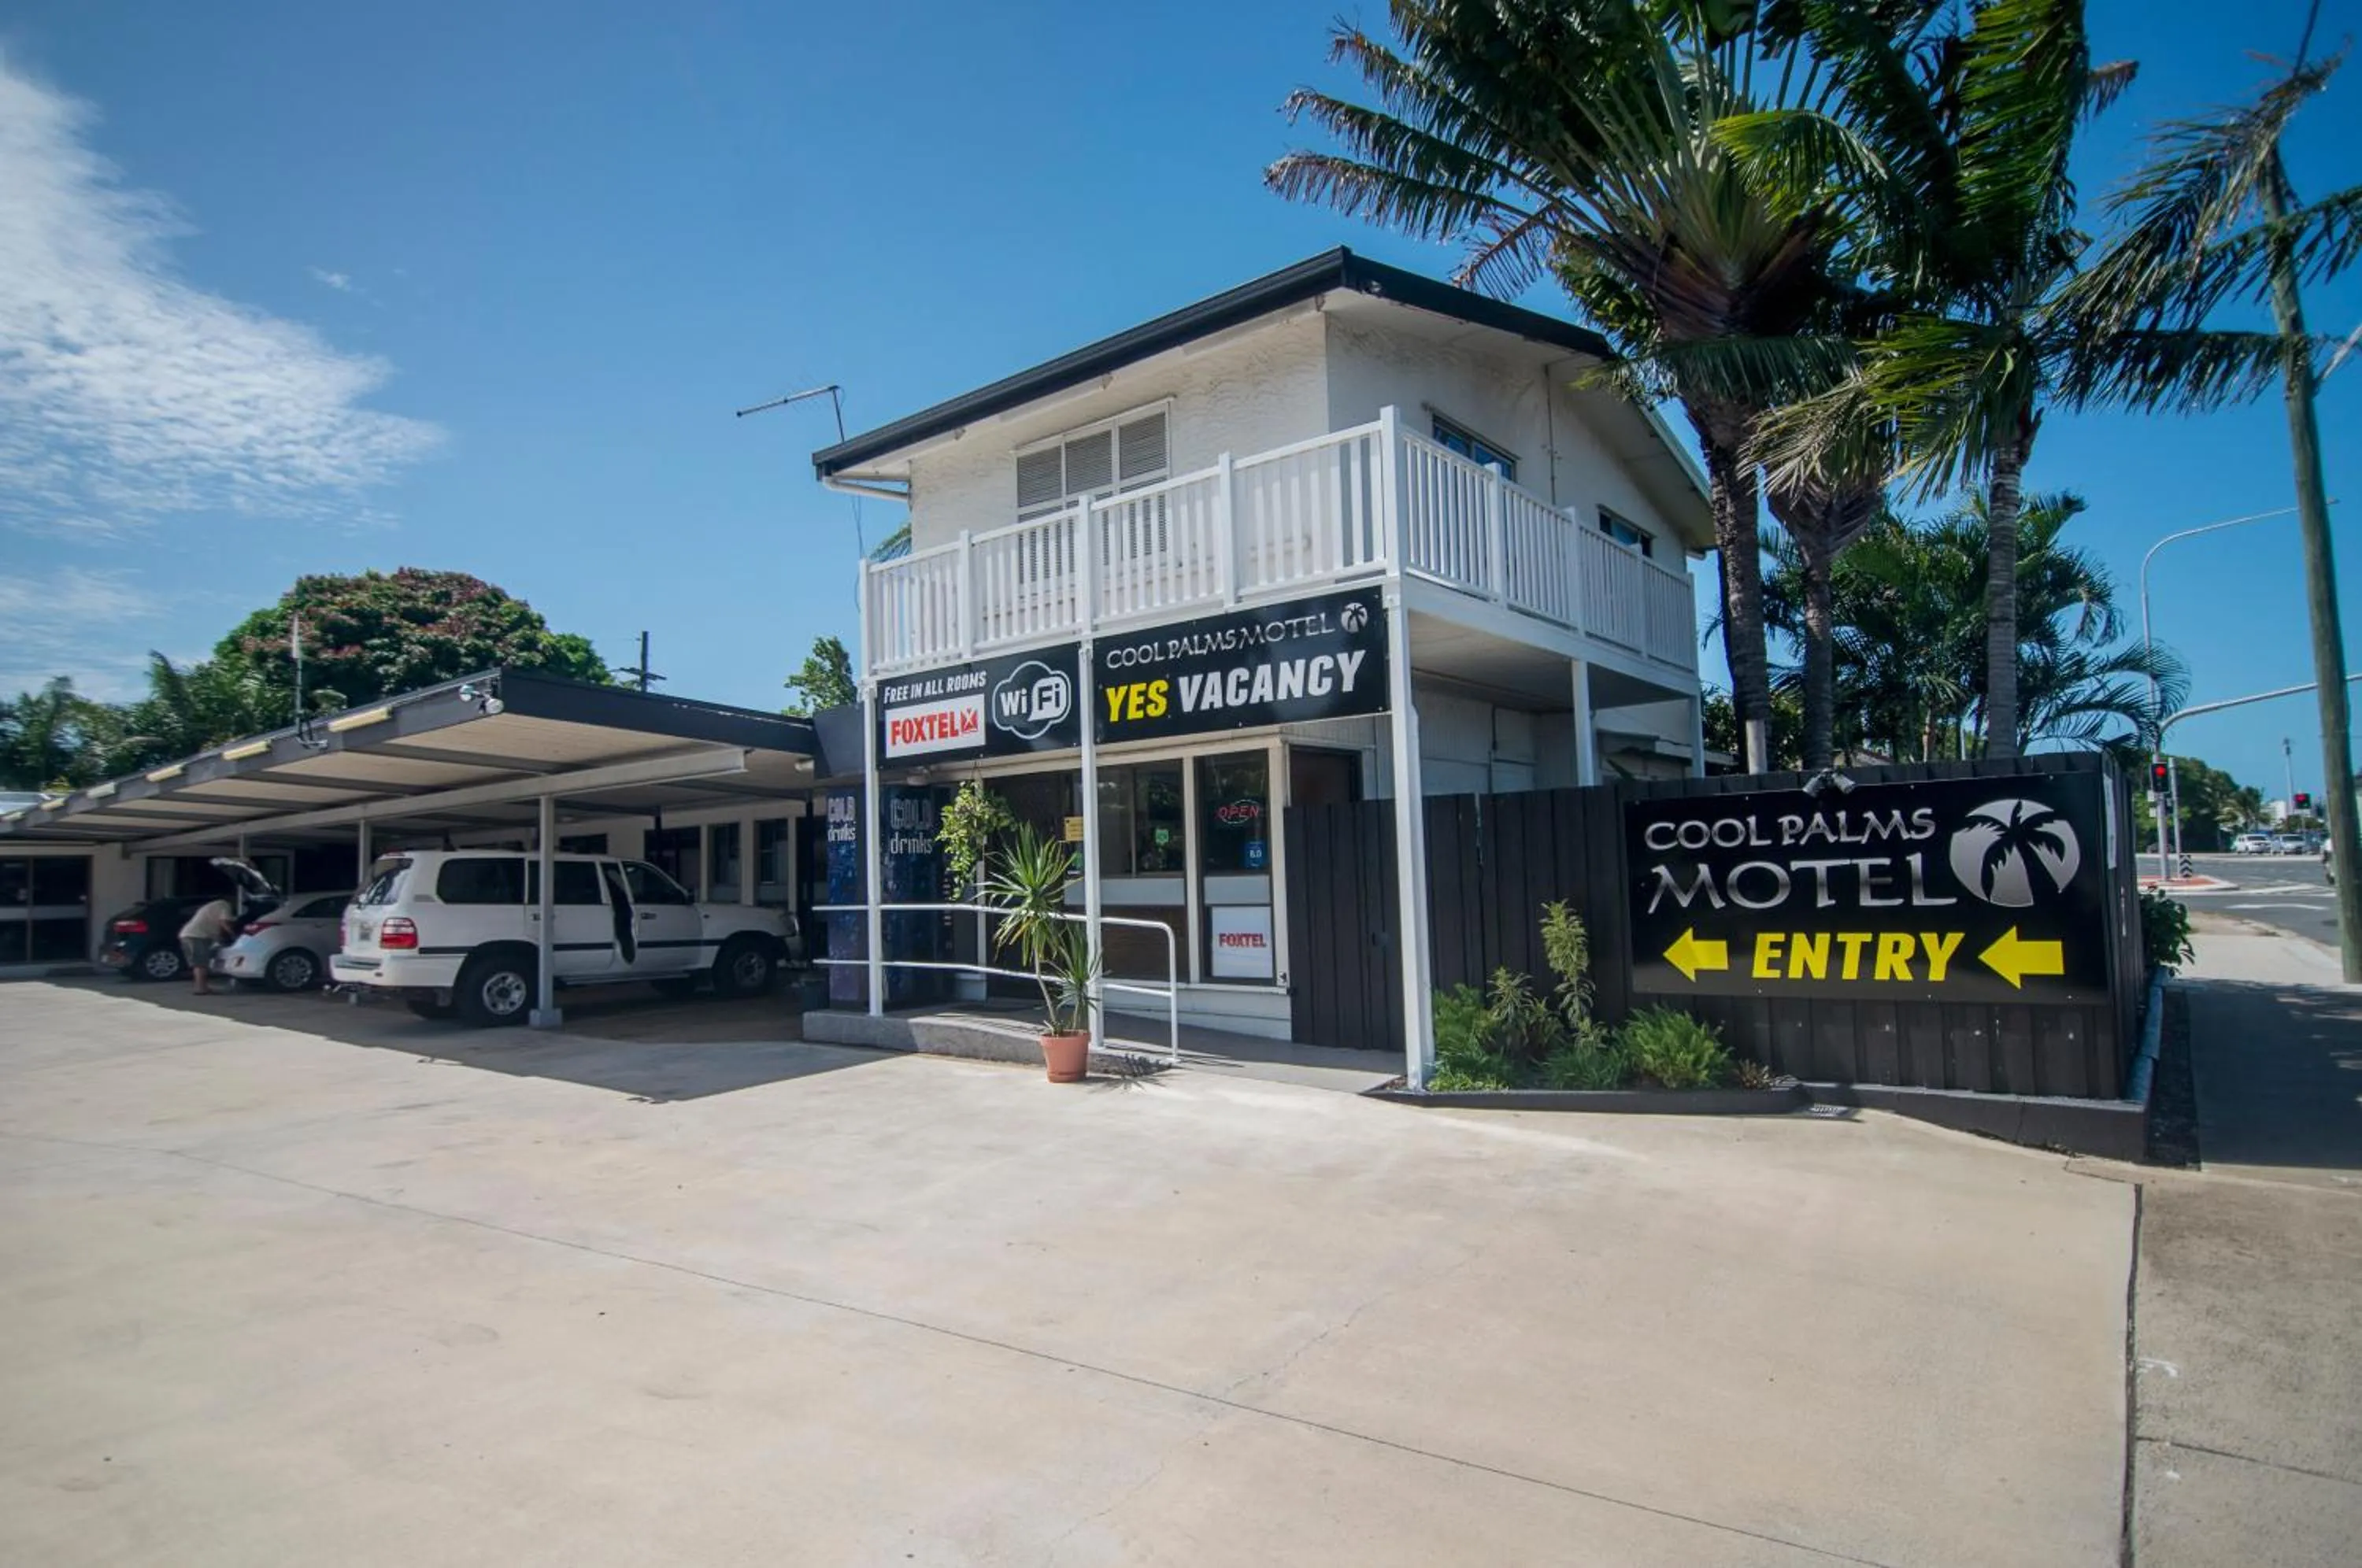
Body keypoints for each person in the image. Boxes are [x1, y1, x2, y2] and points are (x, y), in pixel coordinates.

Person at [179, 895, 236, 995]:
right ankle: (200, 989)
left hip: (189, 935)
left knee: (199, 963)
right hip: (197, 936)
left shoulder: (212, 906)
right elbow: (224, 922)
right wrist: (234, 934)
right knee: (201, 963)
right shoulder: (224, 905)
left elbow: (214, 926)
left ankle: (202, 987)